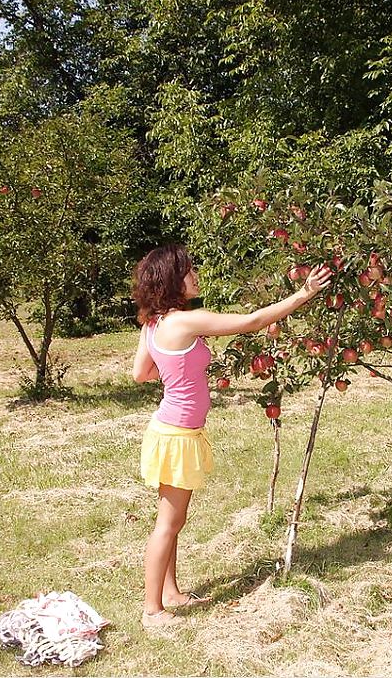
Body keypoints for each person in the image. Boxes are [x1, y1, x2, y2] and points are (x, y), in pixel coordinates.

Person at [131, 244, 332, 629]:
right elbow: (252, 321)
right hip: (177, 436)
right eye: (189, 271)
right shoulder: (184, 322)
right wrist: (303, 293)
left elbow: (141, 374)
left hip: (168, 430)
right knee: (168, 524)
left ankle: (170, 592)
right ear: (173, 280)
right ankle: (152, 611)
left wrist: (176, 369)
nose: (195, 276)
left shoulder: (154, 324)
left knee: (173, 520)